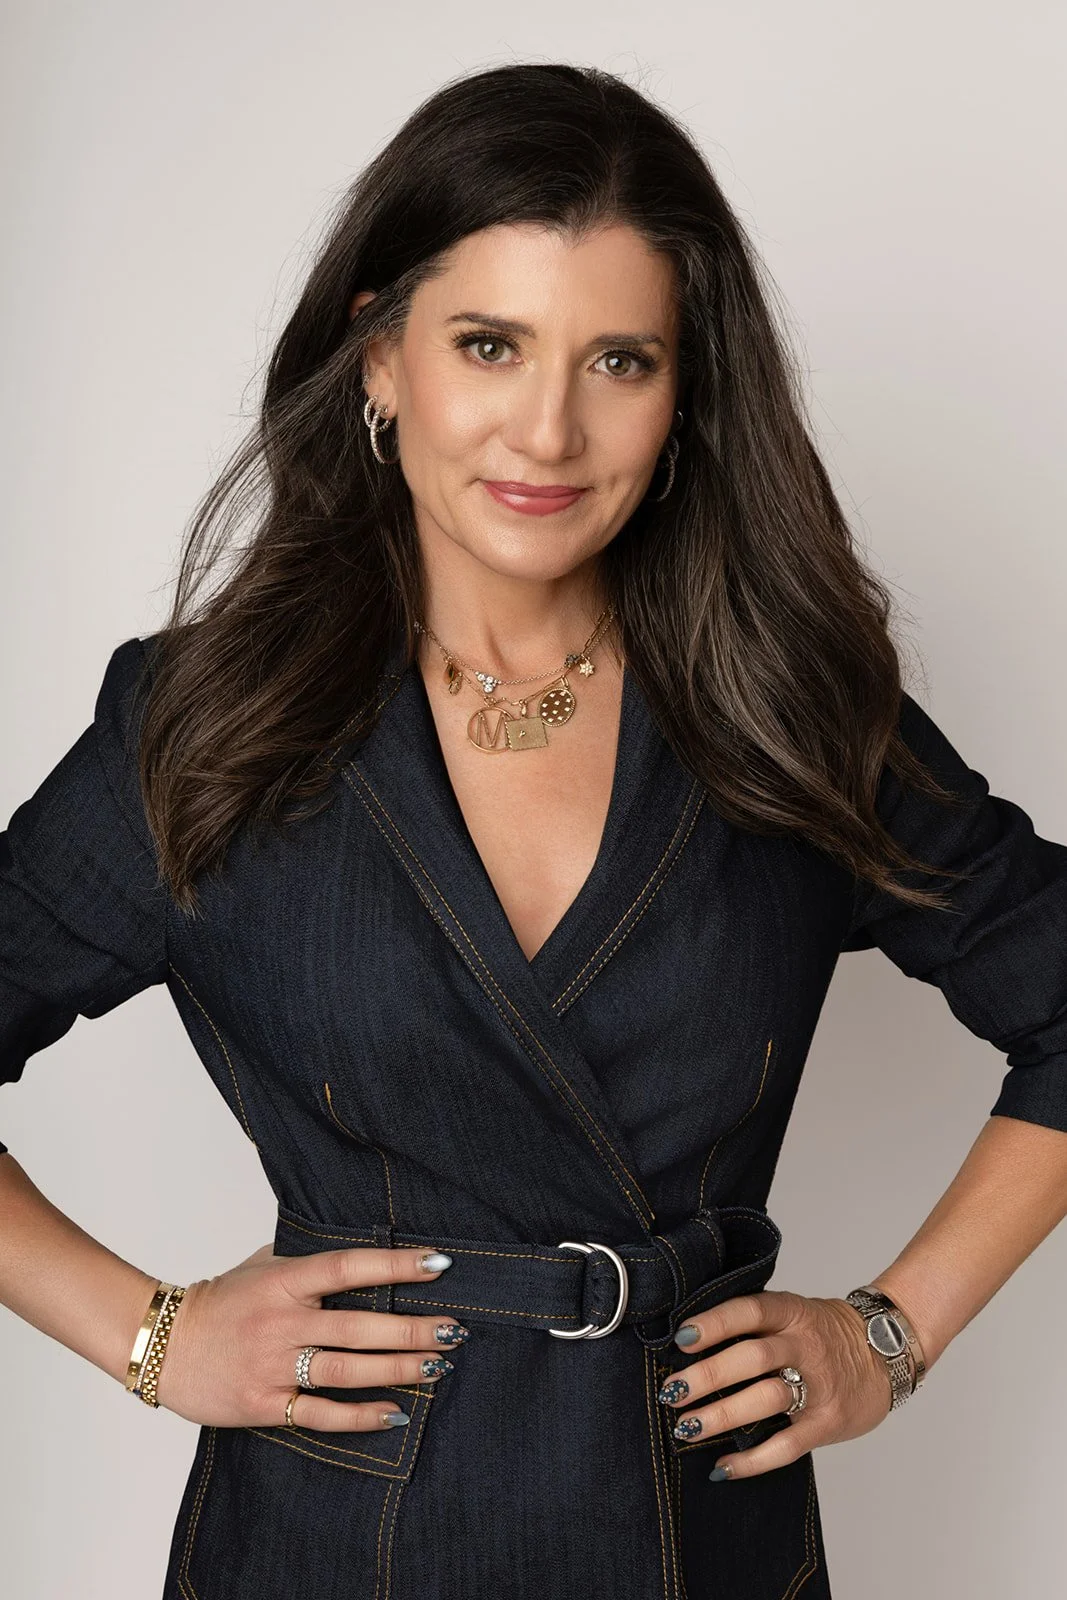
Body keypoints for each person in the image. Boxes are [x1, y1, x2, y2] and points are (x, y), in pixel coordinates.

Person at [2, 60, 1065, 1600]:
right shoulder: (201, 723)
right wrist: (150, 1334)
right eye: (488, 344)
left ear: (687, 391)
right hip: (336, 1541)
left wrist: (889, 1332)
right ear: (380, 360)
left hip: (699, 1537)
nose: (547, 429)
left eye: (619, 359)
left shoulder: (783, 706)